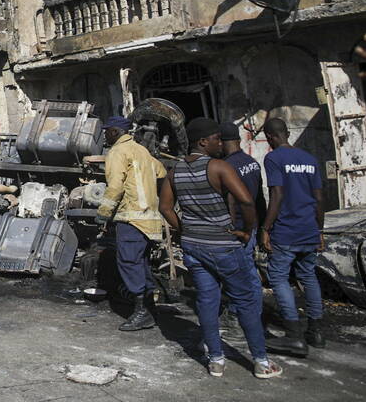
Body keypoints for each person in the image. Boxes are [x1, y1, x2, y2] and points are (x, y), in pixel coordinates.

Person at [158, 118, 282, 379]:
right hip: (224, 246)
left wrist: (184, 229)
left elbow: (165, 208)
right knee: (247, 300)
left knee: (207, 300)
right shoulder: (219, 167)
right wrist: (248, 231)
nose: (220, 143)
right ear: (203, 142)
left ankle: (215, 360)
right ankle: (261, 361)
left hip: (194, 246)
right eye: (216, 138)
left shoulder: (174, 171)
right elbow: (247, 202)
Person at [261, 117, 326, 355]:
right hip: (309, 228)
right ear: (287, 132)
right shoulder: (309, 159)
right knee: (308, 276)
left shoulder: (273, 158)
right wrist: (320, 230)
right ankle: (316, 331)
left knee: (278, 277)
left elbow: (277, 195)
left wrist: (265, 228)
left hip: (286, 231)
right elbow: (319, 199)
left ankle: (293, 334)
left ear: (269, 136)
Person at [96, 115, 166, 332]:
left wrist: (104, 213)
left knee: (128, 261)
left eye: (107, 130)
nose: (105, 135)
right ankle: (149, 307)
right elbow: (162, 173)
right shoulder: (141, 150)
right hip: (149, 218)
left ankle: (143, 311)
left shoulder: (117, 152)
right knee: (140, 262)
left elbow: (115, 186)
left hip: (131, 216)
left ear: (116, 132)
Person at [218, 122, 266, 339]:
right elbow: (260, 199)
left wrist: (229, 227)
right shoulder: (251, 162)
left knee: (238, 275)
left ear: (221, 142)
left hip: (237, 228)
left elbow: (231, 202)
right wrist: (264, 227)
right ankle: (254, 314)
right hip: (252, 225)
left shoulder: (226, 166)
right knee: (249, 272)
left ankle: (239, 317)